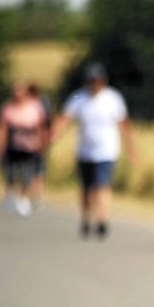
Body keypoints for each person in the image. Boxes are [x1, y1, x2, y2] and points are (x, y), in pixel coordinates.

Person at [50, 63, 136, 239]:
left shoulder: (113, 98)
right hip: (85, 151)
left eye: (97, 80)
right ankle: (86, 219)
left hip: (107, 151)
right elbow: (64, 120)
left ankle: (103, 220)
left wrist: (131, 149)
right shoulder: (78, 98)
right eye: (92, 80)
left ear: (103, 81)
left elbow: (123, 125)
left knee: (102, 186)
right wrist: (51, 138)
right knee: (86, 188)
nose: (95, 84)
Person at [0, 81, 48, 217]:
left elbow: (39, 126)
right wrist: (0, 144)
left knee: (27, 173)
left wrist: (41, 142)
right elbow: (3, 127)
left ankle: (23, 199)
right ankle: (12, 195)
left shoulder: (34, 107)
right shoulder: (8, 108)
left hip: (30, 146)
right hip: (13, 145)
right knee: (11, 173)